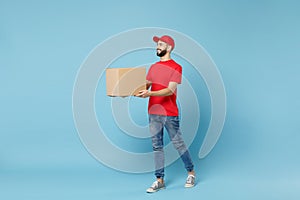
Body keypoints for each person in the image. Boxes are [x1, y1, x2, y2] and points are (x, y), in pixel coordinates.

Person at [136, 35, 196, 193]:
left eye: (161, 44)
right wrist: (128, 89)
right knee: (157, 147)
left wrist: (149, 94)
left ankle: (191, 173)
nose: (157, 46)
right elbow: (146, 85)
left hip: (169, 113)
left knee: (178, 144)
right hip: (153, 112)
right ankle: (159, 180)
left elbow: (170, 90)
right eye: (157, 44)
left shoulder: (176, 67)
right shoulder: (154, 67)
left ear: (169, 47)